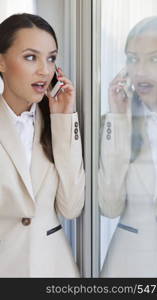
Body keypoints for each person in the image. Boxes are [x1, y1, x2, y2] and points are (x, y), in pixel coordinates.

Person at [99, 16, 157, 277]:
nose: (140, 71)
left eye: (155, 59)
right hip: (127, 269)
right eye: (133, 59)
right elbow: (109, 206)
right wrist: (118, 117)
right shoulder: (114, 124)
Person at [0, 13, 85, 277]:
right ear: (1, 61)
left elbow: (71, 207)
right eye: (30, 57)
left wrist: (63, 118)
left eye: (51, 58)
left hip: (53, 270)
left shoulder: (56, 123)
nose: (44, 70)